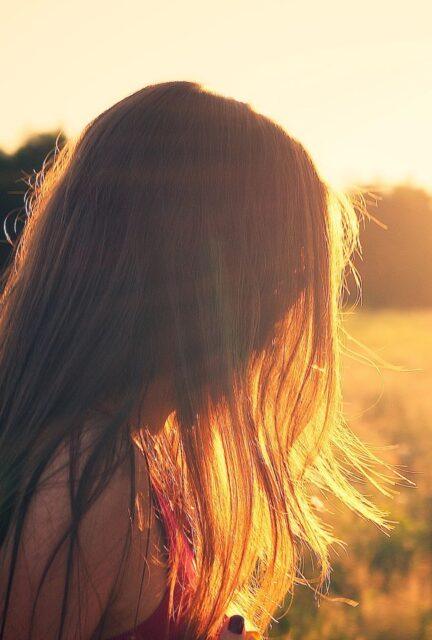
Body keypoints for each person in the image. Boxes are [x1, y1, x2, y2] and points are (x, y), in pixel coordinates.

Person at [0, 81, 398, 639]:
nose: (287, 312)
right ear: (211, 280)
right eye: (283, 271)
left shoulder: (126, 457)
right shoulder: (88, 480)